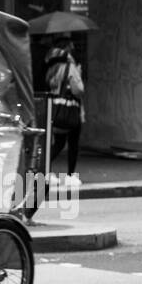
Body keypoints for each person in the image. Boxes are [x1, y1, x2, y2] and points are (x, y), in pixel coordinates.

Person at [45, 38, 84, 179]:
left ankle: (44, 167)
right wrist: (78, 73)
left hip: (56, 109)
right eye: (71, 47)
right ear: (67, 50)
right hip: (70, 110)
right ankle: (70, 175)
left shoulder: (52, 68)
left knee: (59, 143)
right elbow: (78, 90)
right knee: (73, 143)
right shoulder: (70, 67)